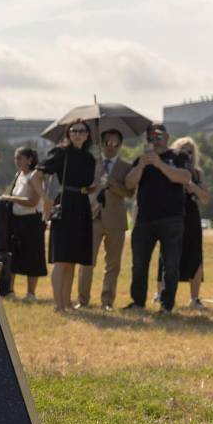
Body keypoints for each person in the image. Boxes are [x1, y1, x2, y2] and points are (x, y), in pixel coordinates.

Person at [124, 123, 193, 313]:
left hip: (172, 219)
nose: (156, 138)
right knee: (139, 264)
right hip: (144, 219)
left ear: (167, 136)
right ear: (148, 138)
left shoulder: (179, 156)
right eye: (151, 135)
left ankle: (166, 305)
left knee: (170, 265)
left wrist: (159, 164)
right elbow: (129, 184)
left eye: (159, 134)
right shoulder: (141, 159)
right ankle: (138, 302)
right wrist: (142, 165)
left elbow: (185, 178)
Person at [35, 120, 96, 312]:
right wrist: (45, 198)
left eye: (81, 131)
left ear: (87, 135)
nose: (77, 134)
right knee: (62, 258)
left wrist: (98, 185)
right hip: (65, 204)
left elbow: (87, 185)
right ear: (68, 134)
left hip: (82, 205)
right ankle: (58, 304)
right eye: (73, 131)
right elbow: (36, 175)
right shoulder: (61, 153)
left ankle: (67, 303)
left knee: (72, 258)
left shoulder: (90, 159)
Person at [76, 129, 131, 311]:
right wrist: (92, 185)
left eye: (115, 144)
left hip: (116, 220)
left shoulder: (126, 166)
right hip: (93, 216)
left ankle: (107, 301)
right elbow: (83, 189)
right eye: (107, 143)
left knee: (113, 264)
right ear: (102, 144)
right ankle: (82, 300)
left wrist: (112, 184)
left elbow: (129, 193)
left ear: (120, 145)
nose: (111, 147)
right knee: (86, 262)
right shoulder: (92, 163)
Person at [154, 137, 210, 309]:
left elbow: (206, 199)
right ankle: (160, 294)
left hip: (191, 216)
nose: (188, 154)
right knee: (167, 254)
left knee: (195, 254)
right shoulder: (168, 168)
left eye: (191, 151)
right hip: (171, 214)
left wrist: (195, 188)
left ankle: (195, 298)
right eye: (184, 150)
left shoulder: (198, 173)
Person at [0, 147, 46, 301]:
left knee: (33, 256)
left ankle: (31, 293)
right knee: (14, 256)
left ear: (30, 160)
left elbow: (33, 201)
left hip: (32, 221)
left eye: (19, 158)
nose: (16, 161)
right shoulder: (19, 175)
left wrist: (9, 198)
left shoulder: (34, 176)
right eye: (15, 158)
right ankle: (10, 290)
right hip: (17, 221)